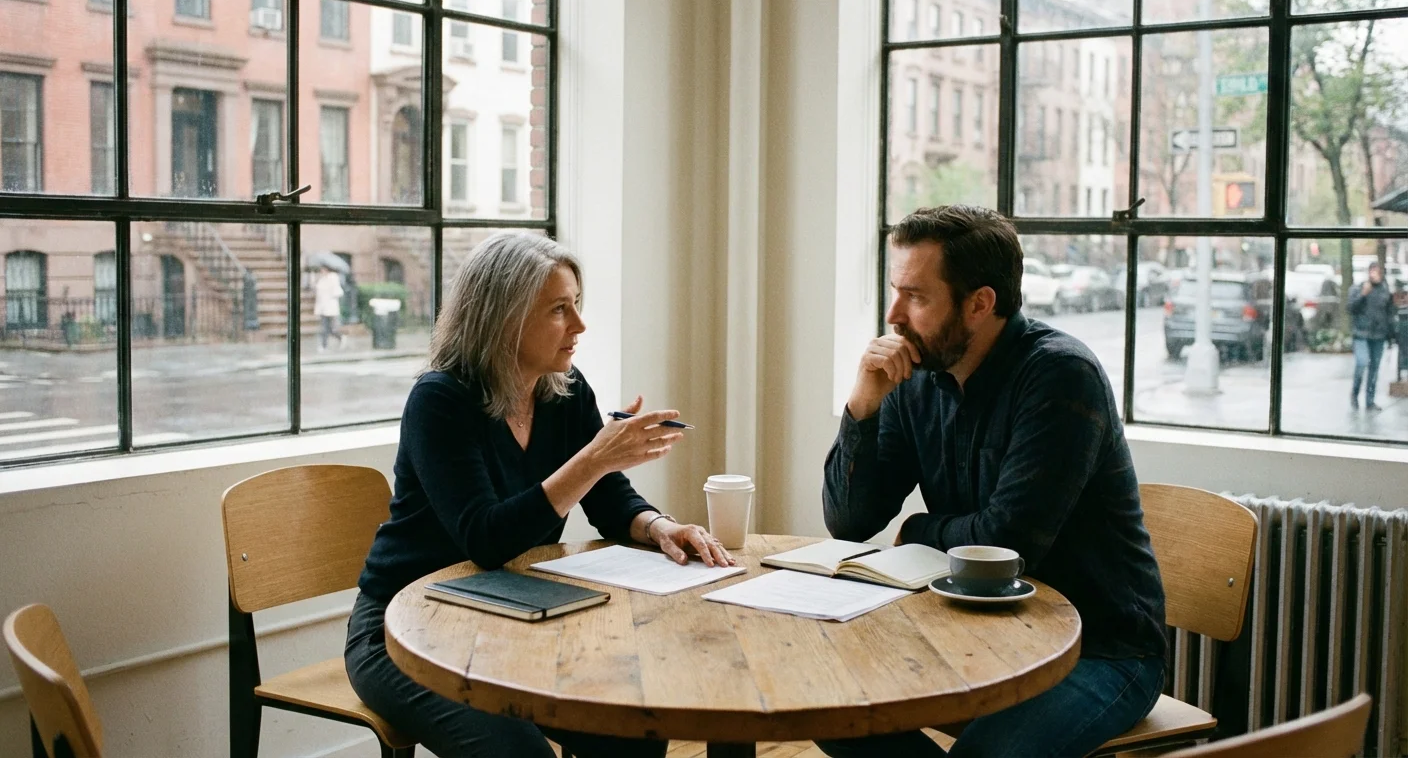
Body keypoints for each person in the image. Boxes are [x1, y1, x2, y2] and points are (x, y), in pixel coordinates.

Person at [346, 231, 734, 758]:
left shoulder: (565, 391)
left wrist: (661, 527)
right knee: (517, 752)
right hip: (405, 627)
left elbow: (609, 500)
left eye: (576, 305)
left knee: (632, 729)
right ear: (504, 318)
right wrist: (594, 457)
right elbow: (485, 539)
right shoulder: (439, 400)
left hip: (513, 613)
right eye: (559, 309)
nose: (579, 325)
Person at [818, 206, 1167, 758]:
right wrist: (862, 405)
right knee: (831, 702)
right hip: (974, 629)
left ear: (980, 303)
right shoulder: (915, 379)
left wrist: (919, 528)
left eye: (917, 296)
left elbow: (1008, 543)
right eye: (894, 291)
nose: (893, 315)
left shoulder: (1059, 375)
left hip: (1100, 648)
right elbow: (851, 521)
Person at [1349, 261, 1395, 411]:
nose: (1375, 274)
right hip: (1361, 334)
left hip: (1379, 335)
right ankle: (1355, 394)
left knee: (1374, 369)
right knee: (1362, 363)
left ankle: (1370, 401)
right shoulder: (1358, 288)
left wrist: (1391, 334)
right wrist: (1363, 294)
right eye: (1373, 271)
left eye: (1378, 272)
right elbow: (1350, 308)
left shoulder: (1384, 290)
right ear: (1368, 272)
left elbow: (1389, 313)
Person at [314, 265, 346, 352]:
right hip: (323, 308)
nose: (322, 272)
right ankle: (324, 346)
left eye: (324, 270)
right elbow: (318, 297)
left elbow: (337, 292)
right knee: (324, 328)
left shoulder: (333, 278)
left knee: (333, 329)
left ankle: (341, 338)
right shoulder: (320, 281)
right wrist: (317, 310)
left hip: (331, 308)